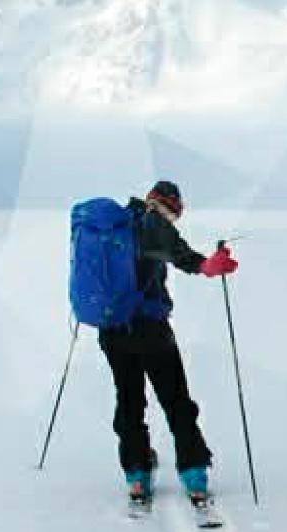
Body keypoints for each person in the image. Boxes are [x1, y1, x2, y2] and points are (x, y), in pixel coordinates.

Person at [102, 180, 239, 510]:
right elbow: (184, 257)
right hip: (151, 330)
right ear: (170, 205)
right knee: (176, 399)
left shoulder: (114, 224)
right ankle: (194, 476)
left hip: (112, 330)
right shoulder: (153, 223)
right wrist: (211, 265)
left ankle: (136, 475)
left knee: (129, 399)